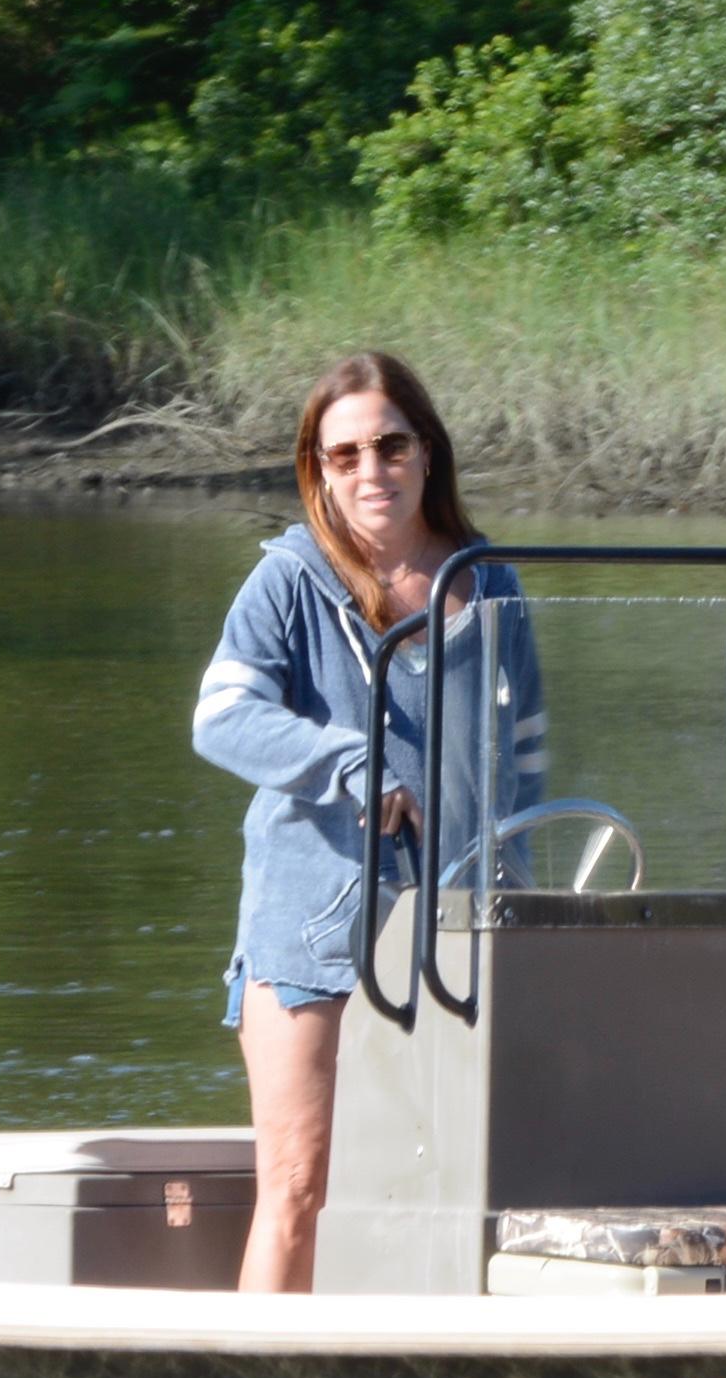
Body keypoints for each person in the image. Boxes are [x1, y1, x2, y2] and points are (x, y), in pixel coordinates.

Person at [190, 351, 523, 1292]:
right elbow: (219, 718)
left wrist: (523, 904)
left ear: (427, 452)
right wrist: (350, 761)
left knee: (458, 1185)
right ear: (319, 472)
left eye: (389, 446)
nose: (370, 472)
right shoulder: (290, 582)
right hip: (313, 932)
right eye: (344, 457)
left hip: (458, 929)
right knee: (300, 1183)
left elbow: (523, 759)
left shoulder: (490, 582)